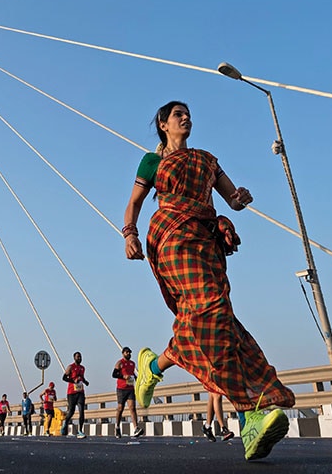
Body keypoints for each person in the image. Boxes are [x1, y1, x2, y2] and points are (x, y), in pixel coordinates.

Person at [124, 101, 295, 461]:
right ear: (163, 124)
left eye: (188, 114)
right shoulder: (151, 162)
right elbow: (135, 203)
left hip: (205, 241)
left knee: (215, 320)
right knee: (211, 310)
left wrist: (240, 198)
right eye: (178, 115)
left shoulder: (206, 159)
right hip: (171, 239)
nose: (186, 118)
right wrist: (129, 234)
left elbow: (230, 199)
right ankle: (249, 416)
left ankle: (154, 366)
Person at [112, 346, 144, 438]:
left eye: (129, 352)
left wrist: (137, 380)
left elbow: (132, 374)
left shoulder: (132, 364)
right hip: (121, 389)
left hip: (130, 389)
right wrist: (123, 376)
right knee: (120, 408)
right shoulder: (120, 363)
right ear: (123, 353)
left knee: (132, 408)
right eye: (126, 352)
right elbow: (114, 374)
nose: (128, 354)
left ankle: (136, 428)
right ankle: (117, 427)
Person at [61, 351, 89, 438]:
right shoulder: (70, 367)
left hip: (80, 392)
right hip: (71, 393)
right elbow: (64, 378)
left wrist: (85, 382)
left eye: (80, 357)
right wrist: (73, 381)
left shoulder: (82, 368)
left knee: (82, 411)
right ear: (74, 358)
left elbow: (82, 377)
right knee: (71, 411)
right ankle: (66, 422)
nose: (79, 358)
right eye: (78, 357)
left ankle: (80, 430)